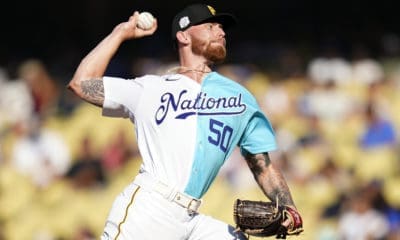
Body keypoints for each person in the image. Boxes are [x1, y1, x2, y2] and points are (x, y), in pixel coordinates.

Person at [68, 3, 303, 239]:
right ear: (183, 35)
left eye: (222, 28)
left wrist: (289, 208)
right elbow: (81, 84)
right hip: (150, 209)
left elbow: (262, 164)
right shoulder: (150, 88)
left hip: (191, 218)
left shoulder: (240, 98)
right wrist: (119, 33)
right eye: (211, 26)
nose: (221, 32)